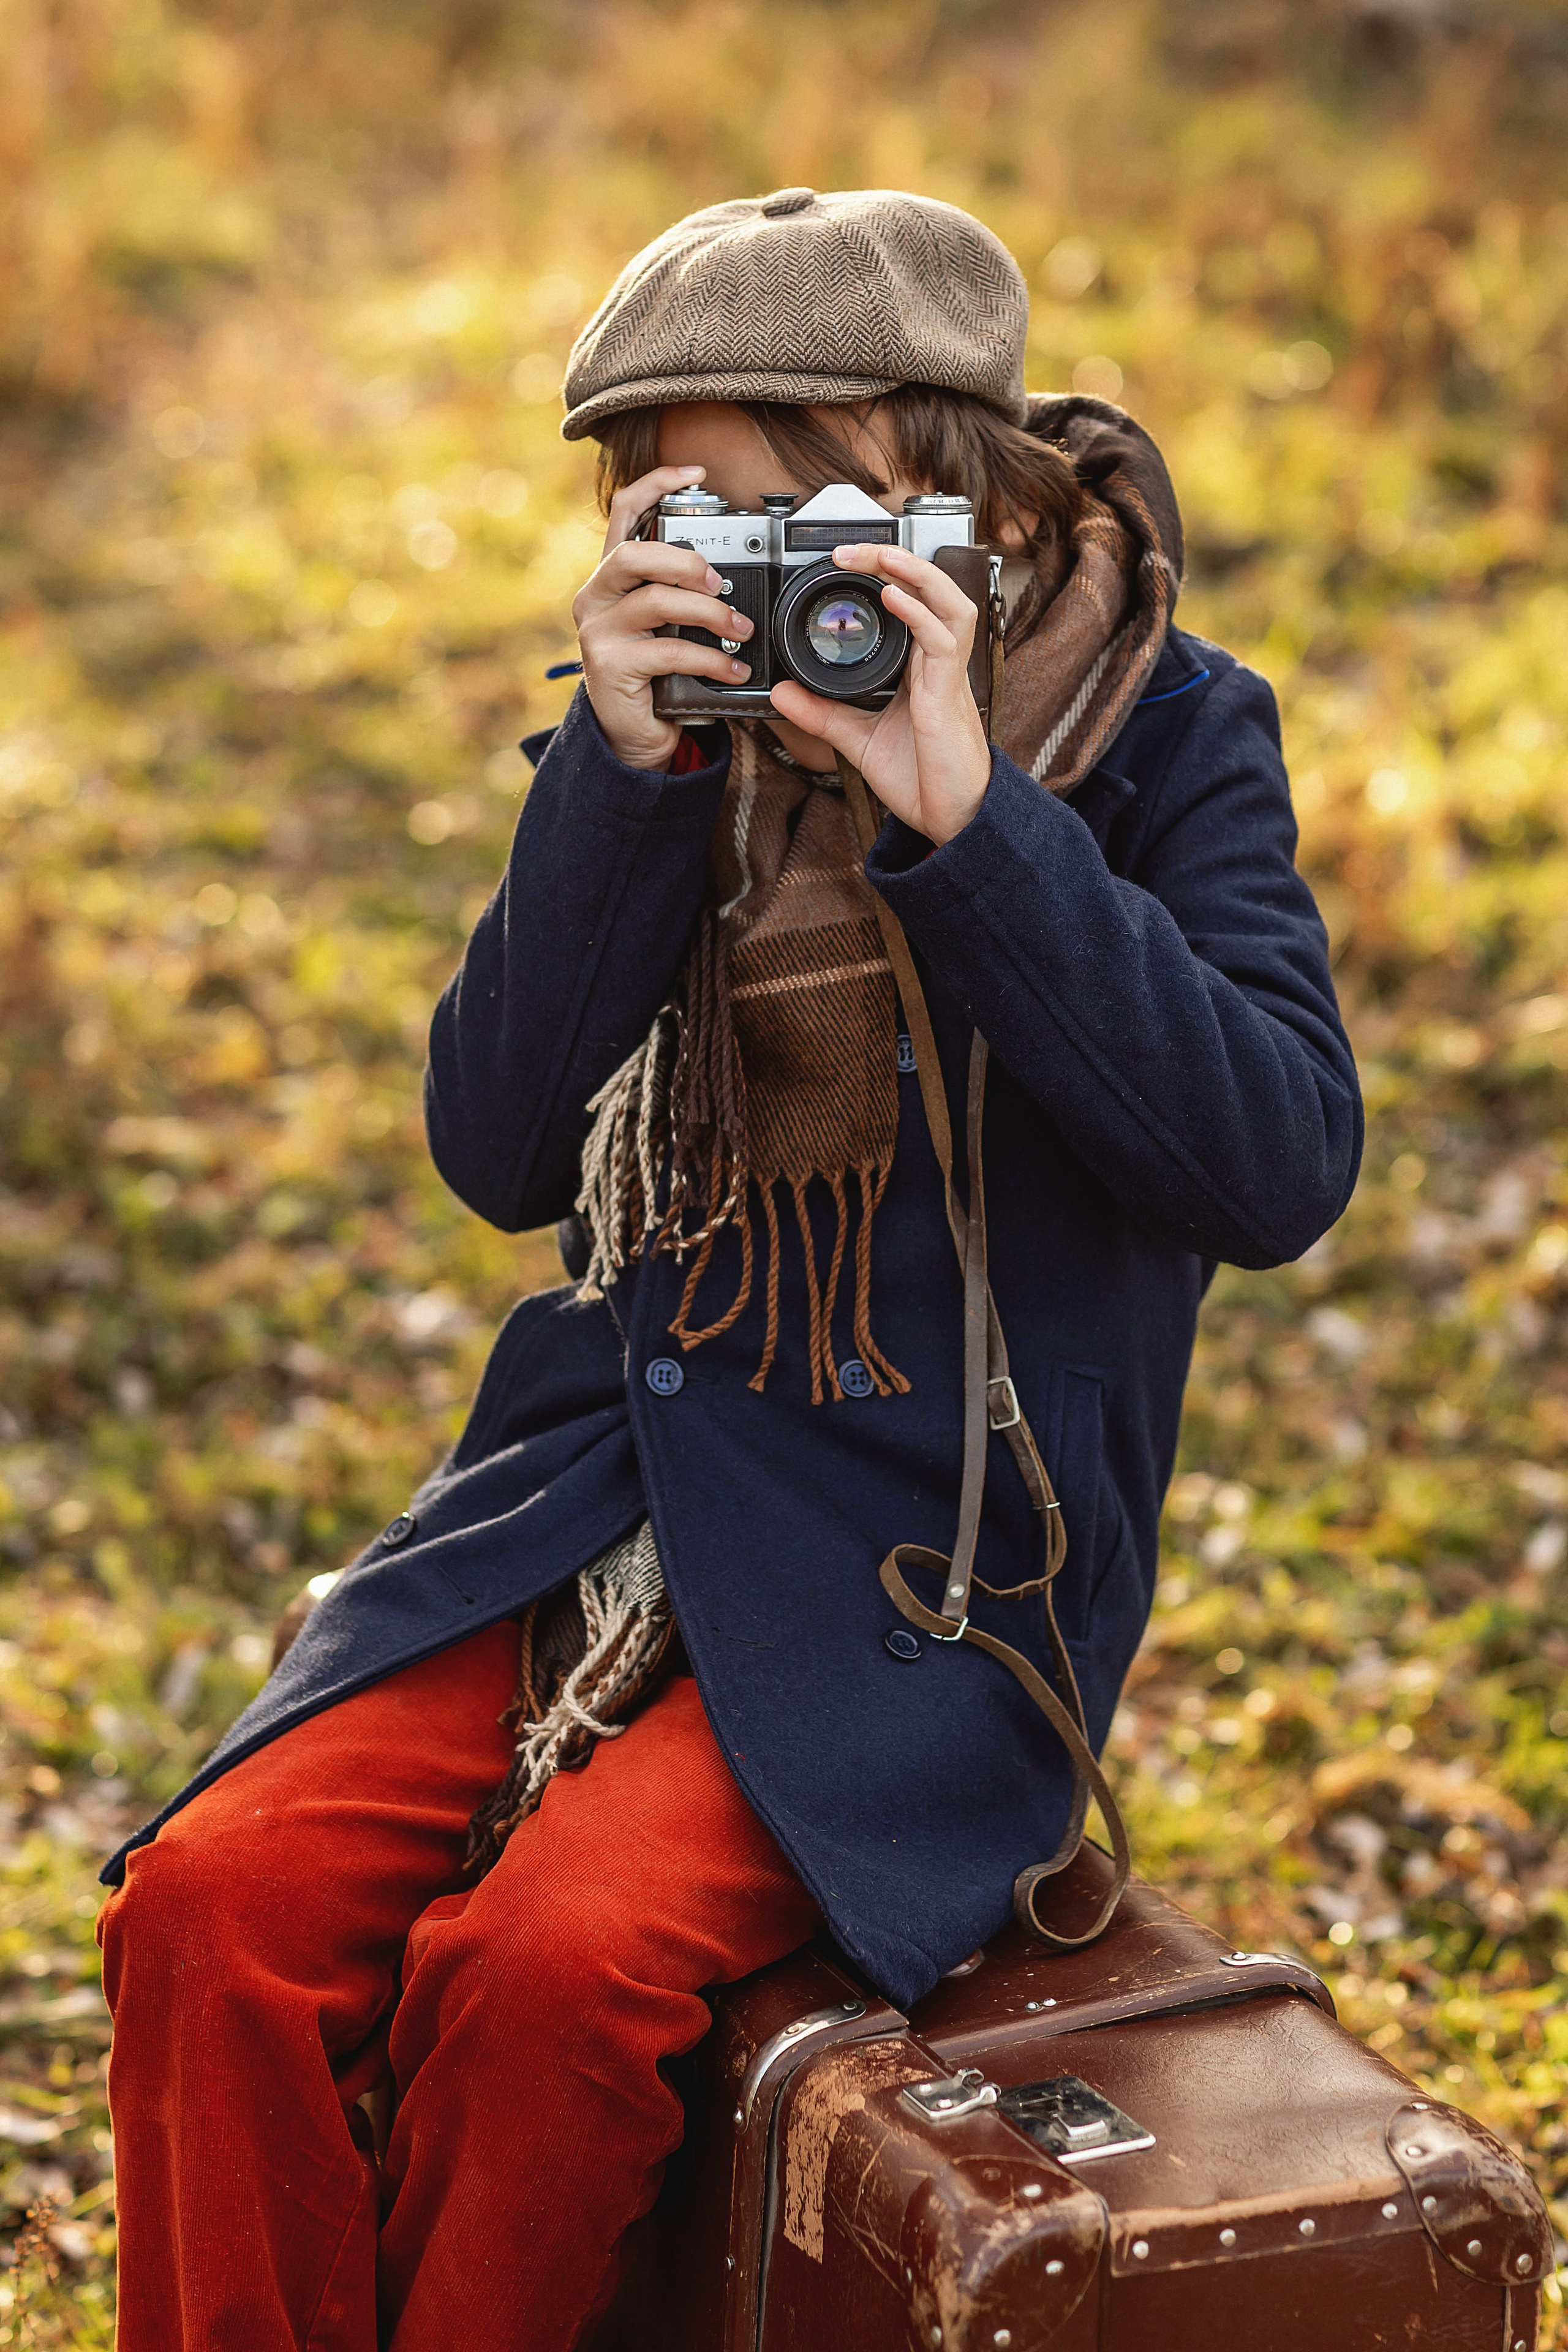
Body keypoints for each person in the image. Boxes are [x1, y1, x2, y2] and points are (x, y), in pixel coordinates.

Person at [96, 187, 1362, 2352]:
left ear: (939, 493)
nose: (737, 584)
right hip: (606, 1521)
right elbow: (492, 1148)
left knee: (546, 1971)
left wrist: (978, 830)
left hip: (935, 1576)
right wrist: (608, 780)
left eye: (780, 521)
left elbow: (1274, 1162)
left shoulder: (1158, 735)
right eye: (673, 517)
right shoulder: (672, 742)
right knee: (211, 1903)